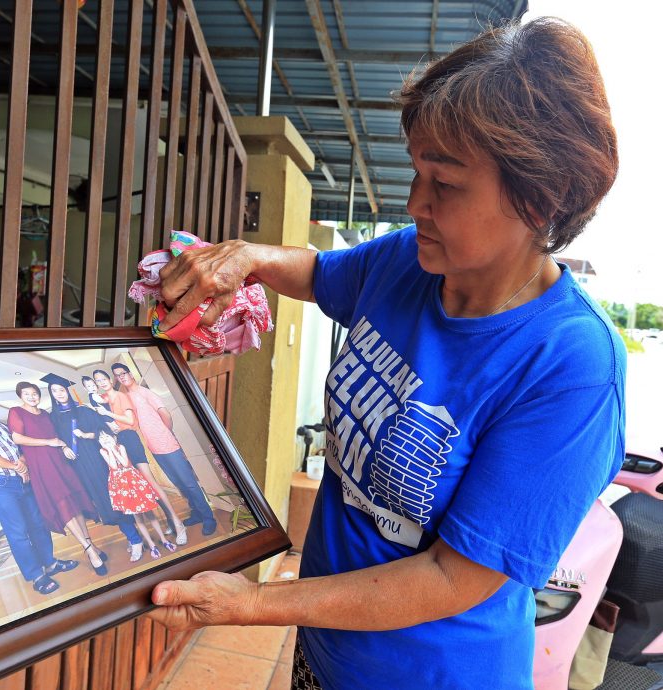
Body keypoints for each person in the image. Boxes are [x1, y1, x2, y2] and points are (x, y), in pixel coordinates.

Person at [147, 18, 624, 690]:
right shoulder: (411, 259)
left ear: (540, 197)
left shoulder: (572, 368)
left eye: (446, 184)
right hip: (326, 651)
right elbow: (319, 273)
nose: (415, 202)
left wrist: (252, 603)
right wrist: (247, 258)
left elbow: (452, 578)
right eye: (416, 172)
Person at [0, 390, 79, 596]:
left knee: (38, 524)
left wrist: (22, 463)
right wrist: (16, 467)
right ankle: (36, 576)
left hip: (23, 480)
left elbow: (19, 447)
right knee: (18, 532)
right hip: (0, 484)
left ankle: (50, 563)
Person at [44, 373, 148, 563]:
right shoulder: (53, 418)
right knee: (102, 502)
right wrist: (64, 447)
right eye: (54, 391)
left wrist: (86, 435)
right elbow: (54, 441)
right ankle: (134, 536)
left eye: (61, 389)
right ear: (51, 394)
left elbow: (103, 431)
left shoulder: (84, 410)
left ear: (67, 391)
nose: (59, 393)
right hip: (78, 467)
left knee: (113, 499)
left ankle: (135, 539)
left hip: (99, 461)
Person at [8, 382, 108, 576]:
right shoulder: (16, 412)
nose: (32, 396)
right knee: (62, 504)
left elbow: (57, 437)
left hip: (59, 461)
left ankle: (91, 545)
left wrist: (63, 446)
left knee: (75, 501)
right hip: (41, 464)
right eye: (27, 394)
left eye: (35, 393)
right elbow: (17, 438)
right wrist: (49, 442)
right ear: (20, 396)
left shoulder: (46, 414)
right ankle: (89, 550)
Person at [110, 362, 218, 538]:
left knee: (189, 482)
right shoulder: (126, 398)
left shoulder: (145, 392)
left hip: (168, 444)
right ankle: (197, 513)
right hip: (154, 448)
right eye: (117, 375)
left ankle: (208, 517)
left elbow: (165, 413)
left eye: (123, 373)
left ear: (130, 374)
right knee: (179, 483)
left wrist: (166, 433)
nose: (121, 377)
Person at [88, 369, 192, 544]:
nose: (101, 382)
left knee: (150, 482)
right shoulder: (103, 399)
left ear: (110, 380)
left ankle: (178, 523)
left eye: (104, 379)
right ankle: (169, 522)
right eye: (97, 381)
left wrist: (108, 415)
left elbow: (129, 421)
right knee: (143, 488)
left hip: (130, 439)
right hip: (118, 443)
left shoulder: (121, 396)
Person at [98, 429, 177, 560]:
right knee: (138, 518)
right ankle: (151, 545)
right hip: (121, 487)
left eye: (107, 436)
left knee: (150, 513)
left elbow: (124, 463)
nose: (104, 439)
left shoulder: (121, 447)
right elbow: (114, 466)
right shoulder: (103, 451)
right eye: (101, 438)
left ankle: (164, 540)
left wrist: (114, 449)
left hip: (134, 482)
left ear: (114, 438)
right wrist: (110, 450)